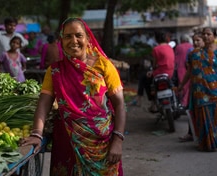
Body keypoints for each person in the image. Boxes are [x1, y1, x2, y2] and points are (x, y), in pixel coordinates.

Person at [19, 18, 126, 175]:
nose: (73, 41)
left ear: (88, 39)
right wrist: (36, 134)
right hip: (67, 143)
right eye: (68, 36)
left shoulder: (103, 66)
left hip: (103, 147)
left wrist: (118, 140)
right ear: (61, 41)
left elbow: (120, 105)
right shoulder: (55, 71)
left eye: (78, 35)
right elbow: (44, 104)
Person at [178, 27, 217, 151]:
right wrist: (181, 85)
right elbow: (189, 72)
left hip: (215, 91)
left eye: (208, 34)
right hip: (199, 92)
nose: (206, 36)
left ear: (214, 36)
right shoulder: (193, 54)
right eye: (204, 34)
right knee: (201, 117)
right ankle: (205, 143)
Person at [178, 31, 204, 142]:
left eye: (198, 40)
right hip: (195, 86)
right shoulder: (191, 53)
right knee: (192, 109)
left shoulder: (212, 52)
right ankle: (191, 133)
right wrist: (182, 85)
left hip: (210, 87)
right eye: (194, 41)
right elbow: (189, 70)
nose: (196, 43)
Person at [146, 30, 175, 112]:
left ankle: (153, 102)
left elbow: (155, 65)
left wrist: (151, 71)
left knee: (146, 80)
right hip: (170, 72)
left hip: (159, 73)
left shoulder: (156, 49)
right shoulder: (170, 47)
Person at [174, 34, 193, 108]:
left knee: (181, 85)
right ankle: (186, 102)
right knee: (188, 86)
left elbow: (176, 57)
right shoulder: (191, 46)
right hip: (189, 68)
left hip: (180, 69)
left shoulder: (178, 47)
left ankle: (181, 103)